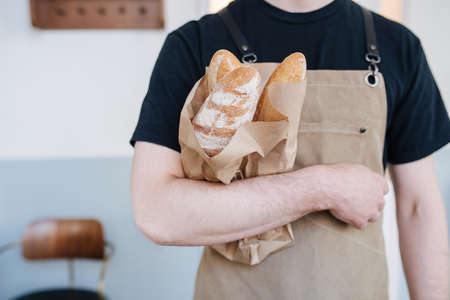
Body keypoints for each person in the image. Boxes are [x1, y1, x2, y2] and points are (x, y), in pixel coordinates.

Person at [129, 0, 450, 299]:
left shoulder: (399, 47)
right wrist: (321, 188)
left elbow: (417, 207)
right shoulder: (194, 44)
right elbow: (156, 213)